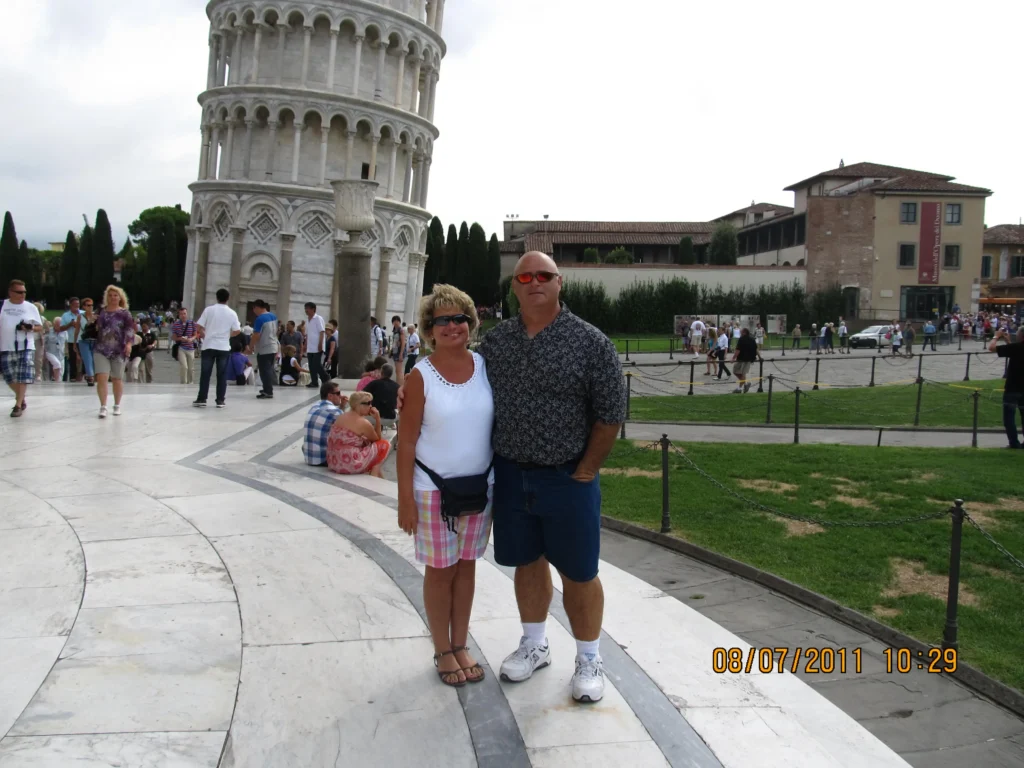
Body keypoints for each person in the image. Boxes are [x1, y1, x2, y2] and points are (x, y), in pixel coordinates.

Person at [396, 284, 494, 688]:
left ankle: (460, 642)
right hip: (433, 489)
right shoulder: (420, 377)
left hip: (480, 487)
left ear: (471, 324)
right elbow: (406, 442)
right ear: (430, 329)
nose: (453, 326)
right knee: (441, 571)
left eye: (461, 319)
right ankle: (442, 648)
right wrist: (405, 501)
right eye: (444, 320)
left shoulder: (486, 366)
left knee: (467, 568)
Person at [1, 279, 43, 417]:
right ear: (10, 292)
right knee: (9, 376)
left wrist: (30, 327)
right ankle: (21, 396)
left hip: (25, 346)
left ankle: (18, 405)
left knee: (22, 376)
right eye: (19, 292)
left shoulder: (31, 307)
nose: (22, 295)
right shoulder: (2, 305)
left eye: (24, 292)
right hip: (5, 346)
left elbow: (40, 327)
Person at [93, 285, 136, 418]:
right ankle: (103, 406)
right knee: (102, 377)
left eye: (115, 295)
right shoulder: (101, 311)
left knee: (117, 378)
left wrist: (129, 344)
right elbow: (94, 327)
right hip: (101, 347)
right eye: (110, 295)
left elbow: (130, 330)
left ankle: (117, 405)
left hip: (119, 349)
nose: (113, 298)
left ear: (120, 297)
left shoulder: (124, 313)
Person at [194, 288, 242, 408]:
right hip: (224, 346)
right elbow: (237, 330)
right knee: (222, 374)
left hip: (209, 345)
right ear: (228, 298)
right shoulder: (232, 313)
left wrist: (205, 334)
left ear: (217, 297)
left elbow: (198, 326)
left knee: (205, 374)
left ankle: (202, 398)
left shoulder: (209, 310)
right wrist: (227, 335)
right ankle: (220, 400)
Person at [326, 391, 391, 478]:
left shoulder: (342, 416)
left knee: (366, 440)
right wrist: (378, 419)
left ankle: (378, 474)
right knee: (384, 444)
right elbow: (377, 439)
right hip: (350, 464)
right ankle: (374, 474)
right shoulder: (363, 422)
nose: (371, 406)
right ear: (359, 405)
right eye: (368, 403)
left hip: (334, 461)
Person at [989, 327, 1024, 449]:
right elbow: (1014, 352)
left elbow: (991, 348)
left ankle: (1014, 443)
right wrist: (1008, 342)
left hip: (1013, 388)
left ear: (1021, 336)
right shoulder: (1015, 348)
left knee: (1009, 417)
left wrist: (996, 336)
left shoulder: (1016, 348)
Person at [302, 380, 349, 466]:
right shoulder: (335, 411)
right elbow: (349, 430)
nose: (341, 396)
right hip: (323, 459)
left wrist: (342, 406)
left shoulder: (315, 406)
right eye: (338, 393)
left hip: (310, 456)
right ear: (330, 396)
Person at [250, 300, 279, 399]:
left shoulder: (260, 319)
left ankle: (268, 391)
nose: (254, 312)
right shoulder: (273, 316)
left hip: (264, 347)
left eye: (253, 309)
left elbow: (256, 334)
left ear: (256, 307)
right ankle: (267, 387)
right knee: (269, 369)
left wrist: (251, 346)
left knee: (264, 370)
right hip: (273, 346)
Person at [55, 297, 85, 381]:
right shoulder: (66, 315)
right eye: (75, 304)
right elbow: (61, 328)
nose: (77, 306)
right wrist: (70, 324)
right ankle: (73, 377)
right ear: (70, 305)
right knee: (73, 359)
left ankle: (83, 375)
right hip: (71, 340)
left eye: (78, 304)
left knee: (84, 359)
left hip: (83, 340)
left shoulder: (83, 313)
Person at [364, 362, 399, 427]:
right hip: (391, 418)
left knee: (360, 414)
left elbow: (361, 394)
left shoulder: (374, 383)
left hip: (375, 417)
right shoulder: (397, 386)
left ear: (381, 372)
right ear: (391, 374)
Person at [170, 307, 198, 385]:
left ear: (187, 314)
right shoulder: (176, 325)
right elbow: (173, 337)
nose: (183, 315)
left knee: (191, 368)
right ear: (179, 315)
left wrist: (191, 339)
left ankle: (191, 382)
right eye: (181, 314)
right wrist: (180, 338)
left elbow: (195, 335)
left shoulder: (192, 323)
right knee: (184, 366)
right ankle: (183, 383)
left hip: (190, 347)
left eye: (184, 314)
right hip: (181, 347)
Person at [304, 302, 327, 389]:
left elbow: (322, 331)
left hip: (317, 346)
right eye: (305, 308)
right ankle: (314, 382)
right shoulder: (307, 320)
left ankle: (326, 379)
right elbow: (307, 334)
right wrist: (305, 344)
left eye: (308, 308)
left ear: (313, 309)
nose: (306, 310)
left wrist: (320, 344)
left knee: (317, 364)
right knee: (311, 365)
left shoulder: (318, 318)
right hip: (310, 347)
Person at [731, 327, 757, 393]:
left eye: (741, 331)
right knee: (736, 371)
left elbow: (738, 350)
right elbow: (756, 349)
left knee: (742, 373)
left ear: (744, 332)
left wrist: (733, 358)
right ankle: (745, 384)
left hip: (744, 359)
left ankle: (739, 389)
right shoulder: (752, 339)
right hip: (745, 359)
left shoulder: (742, 339)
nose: (740, 332)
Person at [389, 315, 407, 385]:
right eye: (394, 321)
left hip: (399, 352)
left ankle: (400, 386)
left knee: (399, 371)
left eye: (397, 321)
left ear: (399, 322)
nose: (396, 322)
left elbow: (403, 343)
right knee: (397, 371)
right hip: (395, 352)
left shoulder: (400, 330)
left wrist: (401, 354)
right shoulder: (394, 330)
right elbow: (394, 342)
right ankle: (398, 385)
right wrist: (391, 351)